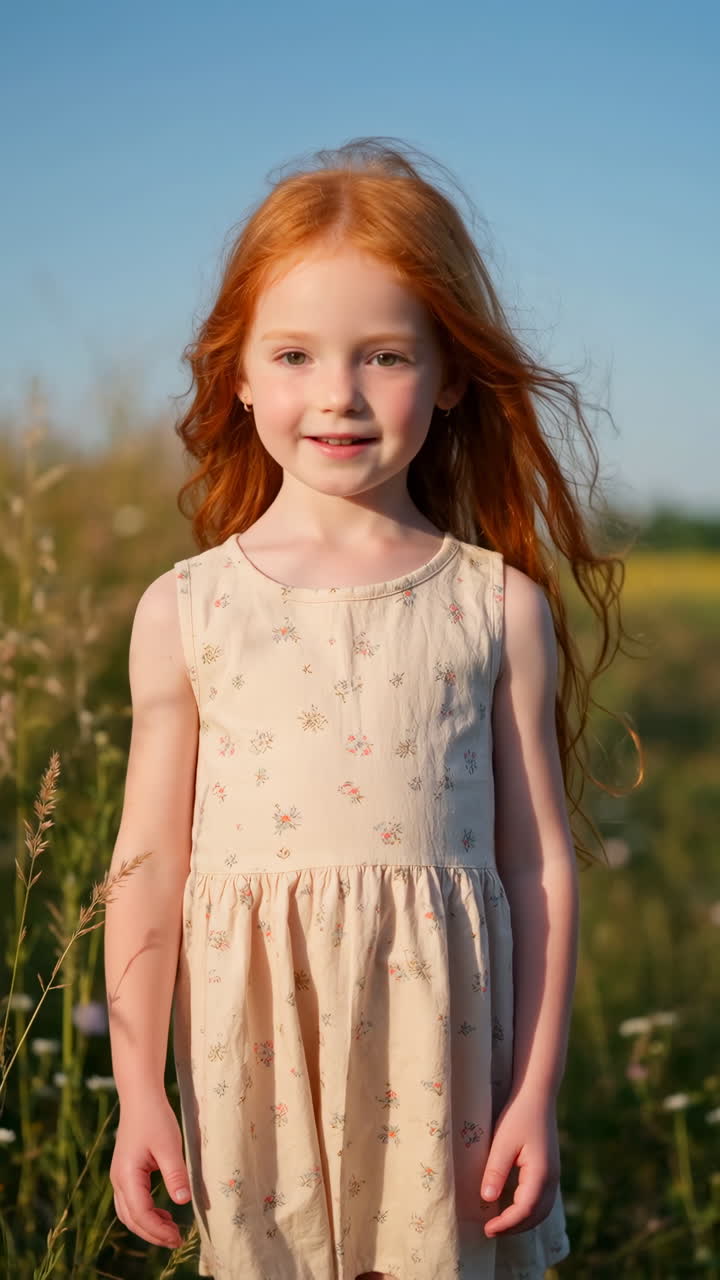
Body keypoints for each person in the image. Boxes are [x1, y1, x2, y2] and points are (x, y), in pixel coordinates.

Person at [104, 137, 635, 1279]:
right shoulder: (187, 610)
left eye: (384, 354)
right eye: (294, 353)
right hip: (257, 1065)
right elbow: (146, 864)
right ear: (237, 371)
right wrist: (135, 1088)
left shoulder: (496, 608)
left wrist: (535, 1093)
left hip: (449, 1069)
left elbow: (538, 864)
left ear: (451, 374)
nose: (337, 394)